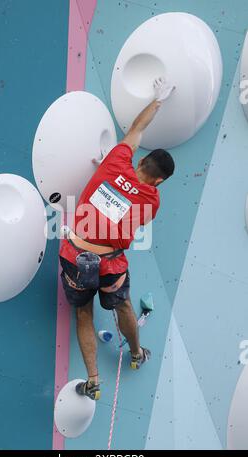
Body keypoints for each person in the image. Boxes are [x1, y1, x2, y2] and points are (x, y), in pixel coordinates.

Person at [59, 77, 176, 400]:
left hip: (75, 255)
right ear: (160, 181)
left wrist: (157, 100)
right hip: (110, 266)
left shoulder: (116, 160)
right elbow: (127, 220)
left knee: (83, 313)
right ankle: (136, 355)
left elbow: (136, 130)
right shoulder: (152, 201)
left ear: (139, 161)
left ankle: (93, 380)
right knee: (122, 304)